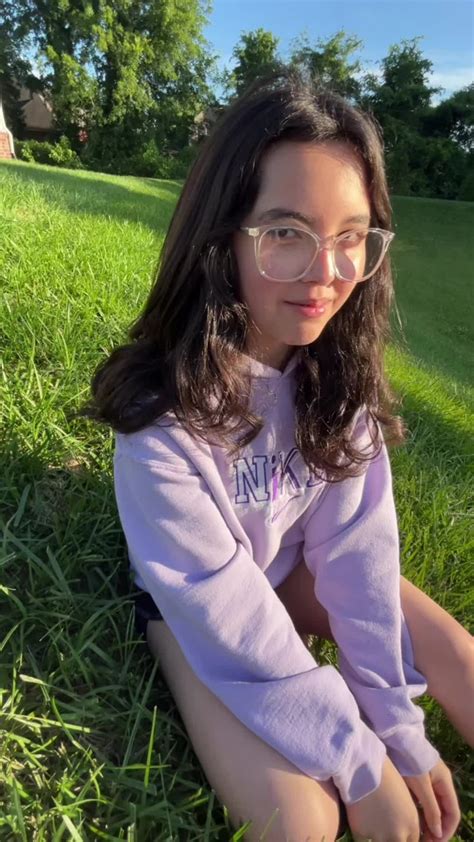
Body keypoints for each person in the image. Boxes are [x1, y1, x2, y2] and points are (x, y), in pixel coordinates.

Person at [78, 70, 472, 841]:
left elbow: (357, 560)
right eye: (286, 233)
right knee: (301, 821)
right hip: (191, 605)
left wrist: (397, 727)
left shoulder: (337, 382)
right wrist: (356, 756)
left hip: (293, 568)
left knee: (459, 657)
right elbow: (224, 610)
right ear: (223, 235)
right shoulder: (161, 414)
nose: (327, 273)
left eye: (352, 236)